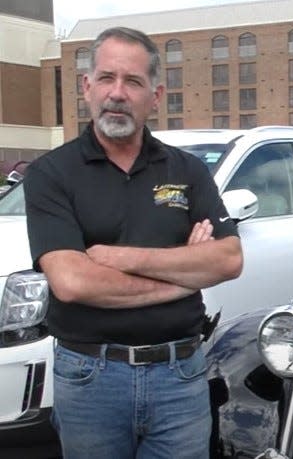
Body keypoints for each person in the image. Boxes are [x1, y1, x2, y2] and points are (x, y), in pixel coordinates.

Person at [24, 27, 243, 459]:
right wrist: (184, 273)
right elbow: (73, 283)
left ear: (155, 95)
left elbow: (228, 258)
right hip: (91, 378)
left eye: (134, 81)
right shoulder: (52, 173)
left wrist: (116, 257)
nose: (118, 93)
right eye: (107, 78)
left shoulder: (188, 170)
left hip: (180, 377)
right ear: (87, 87)